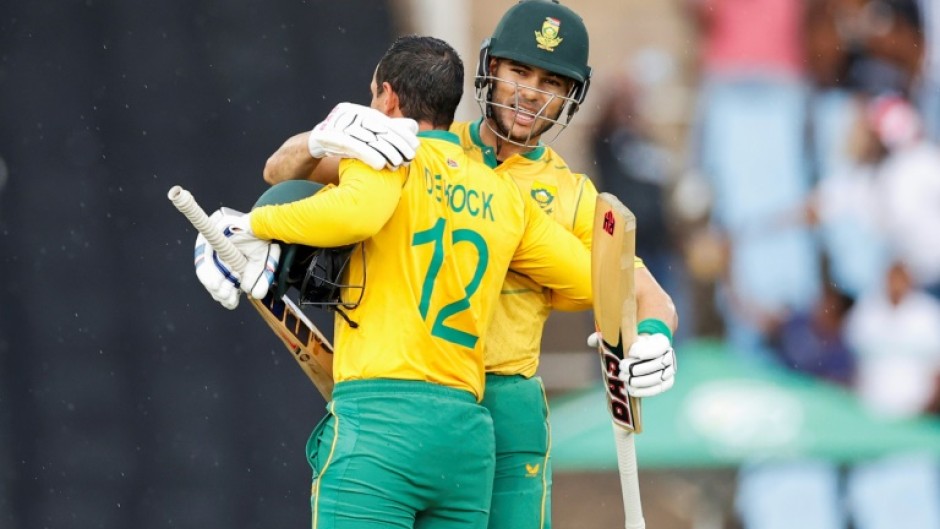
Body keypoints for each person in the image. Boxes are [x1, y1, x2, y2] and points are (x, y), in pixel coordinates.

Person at [261, 2, 679, 528]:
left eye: (552, 81)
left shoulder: (574, 197)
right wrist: (317, 139)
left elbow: (648, 297)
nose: (530, 92)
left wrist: (655, 334)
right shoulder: (419, 145)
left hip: (506, 408)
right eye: (519, 71)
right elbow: (281, 174)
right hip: (416, 392)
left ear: (572, 97)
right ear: (490, 68)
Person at [193, 35, 602, 529]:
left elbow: (356, 213)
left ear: (386, 98)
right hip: (466, 439)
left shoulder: (385, 157)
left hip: (382, 420)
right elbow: (586, 279)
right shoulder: (507, 196)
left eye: (372, 99)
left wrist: (249, 226)